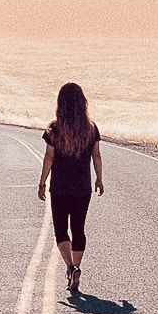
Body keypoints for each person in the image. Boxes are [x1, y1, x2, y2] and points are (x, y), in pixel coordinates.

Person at [37, 82, 104, 295]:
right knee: (79, 229)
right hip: (83, 188)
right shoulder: (91, 129)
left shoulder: (54, 129)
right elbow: (96, 155)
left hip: (59, 188)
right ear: (82, 103)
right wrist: (99, 179)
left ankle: (70, 267)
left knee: (60, 230)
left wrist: (42, 183)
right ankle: (77, 265)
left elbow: (49, 157)